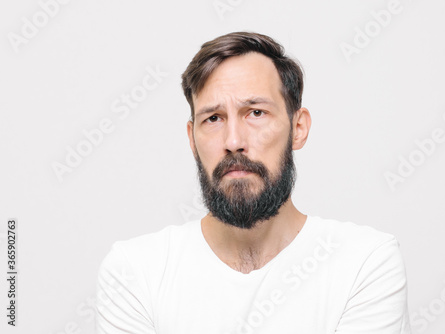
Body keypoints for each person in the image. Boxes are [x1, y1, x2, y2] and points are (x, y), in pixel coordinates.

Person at [95, 31, 412, 334]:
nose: (233, 141)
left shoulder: (364, 263)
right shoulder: (135, 271)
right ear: (192, 139)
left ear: (298, 128)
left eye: (256, 112)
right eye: (214, 118)